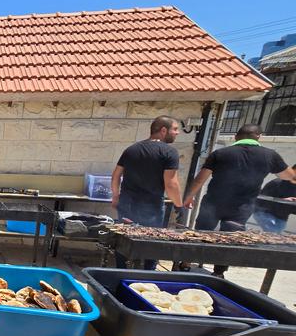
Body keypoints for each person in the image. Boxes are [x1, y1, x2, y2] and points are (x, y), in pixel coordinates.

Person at [184, 124, 296, 277]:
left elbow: (200, 179)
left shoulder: (220, 153)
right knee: (229, 240)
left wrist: (189, 197)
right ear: (259, 137)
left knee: (201, 234)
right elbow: (289, 176)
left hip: (213, 203)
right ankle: (218, 273)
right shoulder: (270, 155)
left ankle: (186, 263)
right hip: (240, 209)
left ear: (236, 137)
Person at [110, 115, 186, 270]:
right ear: (163, 130)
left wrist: (116, 196)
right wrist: (179, 205)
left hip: (126, 204)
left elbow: (116, 175)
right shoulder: (169, 152)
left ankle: (121, 271)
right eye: (175, 129)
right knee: (151, 241)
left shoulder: (131, 149)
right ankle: (148, 273)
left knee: (124, 238)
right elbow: (171, 184)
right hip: (151, 207)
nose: (177, 133)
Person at [253, 165, 296, 233]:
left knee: (275, 236)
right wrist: (282, 201)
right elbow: (261, 201)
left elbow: (293, 210)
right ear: (292, 170)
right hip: (264, 213)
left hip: (282, 218)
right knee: (274, 233)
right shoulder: (276, 183)